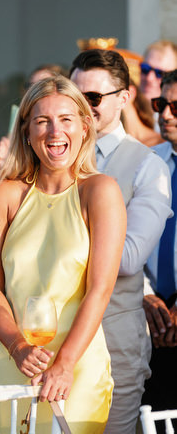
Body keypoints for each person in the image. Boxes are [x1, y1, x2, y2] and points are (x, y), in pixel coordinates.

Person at [0, 75, 126, 433]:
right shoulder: (5, 194)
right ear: (26, 130)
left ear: (85, 126)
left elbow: (100, 289)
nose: (53, 131)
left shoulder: (100, 191)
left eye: (65, 119)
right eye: (42, 121)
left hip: (76, 368)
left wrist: (65, 363)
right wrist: (16, 348)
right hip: (9, 362)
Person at [70, 49, 171, 434]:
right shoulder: (53, 156)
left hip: (114, 342)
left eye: (93, 98)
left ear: (124, 98)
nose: (83, 107)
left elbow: (128, 259)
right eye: (75, 96)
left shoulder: (148, 166)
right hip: (51, 338)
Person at [142, 69, 177, 428]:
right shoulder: (144, 162)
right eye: (161, 104)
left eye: (176, 107)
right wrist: (145, 295)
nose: (165, 114)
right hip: (149, 321)